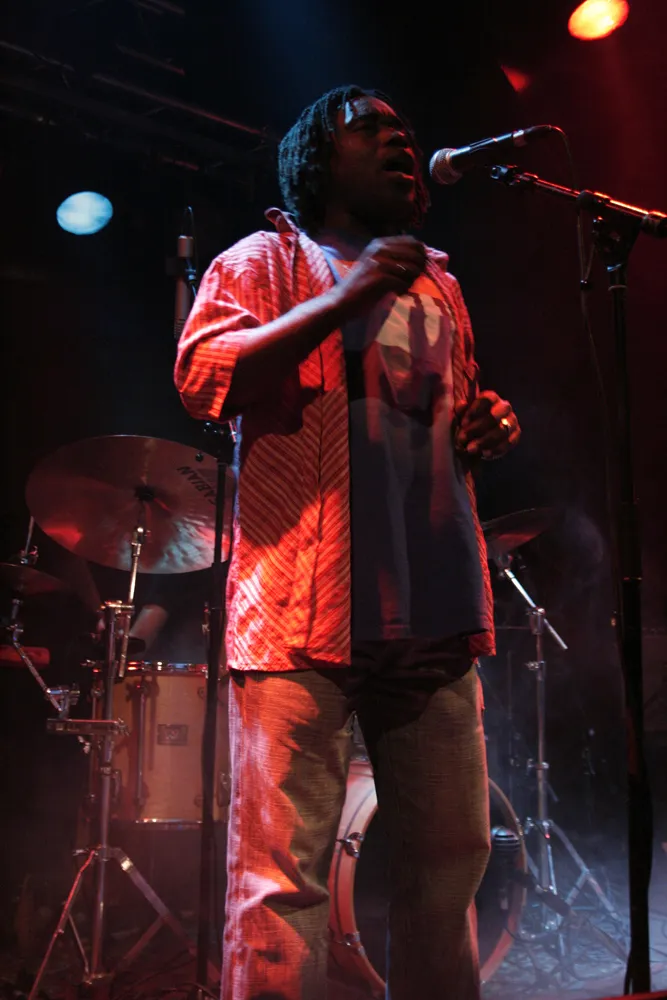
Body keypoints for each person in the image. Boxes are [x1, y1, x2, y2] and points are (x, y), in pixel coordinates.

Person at [174, 85, 521, 1000]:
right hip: (302, 615)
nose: (400, 139)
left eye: (404, 128)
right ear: (318, 160)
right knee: (281, 887)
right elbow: (203, 375)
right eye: (371, 128)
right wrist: (349, 295)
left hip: (436, 614)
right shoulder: (262, 261)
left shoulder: (439, 281)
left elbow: (445, 407)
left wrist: (484, 420)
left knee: (446, 875)